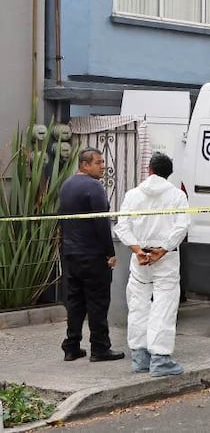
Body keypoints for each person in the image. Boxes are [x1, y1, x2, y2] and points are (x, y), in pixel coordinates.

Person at [114, 153, 191, 377]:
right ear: (169, 174)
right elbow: (181, 226)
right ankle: (160, 359)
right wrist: (163, 250)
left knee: (138, 305)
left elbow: (122, 226)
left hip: (140, 259)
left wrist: (138, 250)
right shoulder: (177, 196)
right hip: (165, 259)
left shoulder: (133, 195)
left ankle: (139, 358)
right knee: (164, 306)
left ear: (149, 170)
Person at [59, 148, 124, 362]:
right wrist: (110, 253)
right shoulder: (94, 187)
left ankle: (71, 346)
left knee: (75, 301)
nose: (102, 166)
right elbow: (101, 222)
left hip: (71, 254)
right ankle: (100, 348)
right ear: (85, 165)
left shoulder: (66, 185)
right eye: (98, 162)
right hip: (93, 255)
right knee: (97, 301)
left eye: (103, 162)